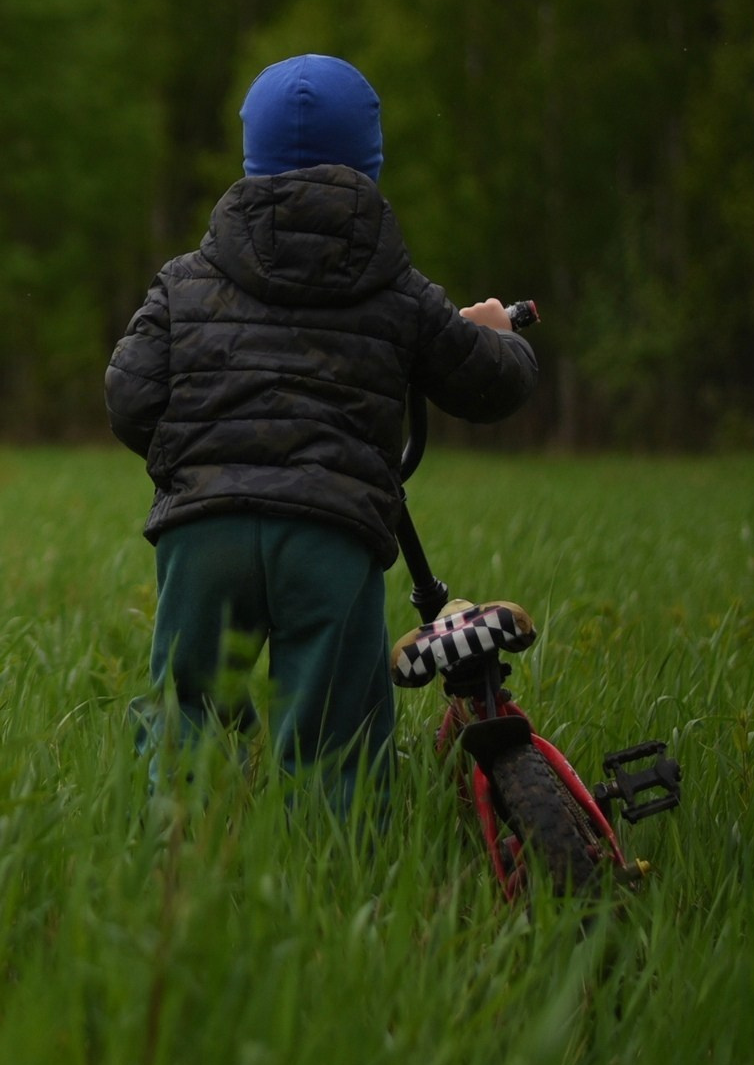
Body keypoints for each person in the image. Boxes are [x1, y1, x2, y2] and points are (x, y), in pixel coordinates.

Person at [104, 54, 538, 813]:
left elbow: (129, 396)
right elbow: (487, 382)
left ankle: (172, 873)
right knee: (333, 737)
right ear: (368, 160)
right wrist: (501, 333)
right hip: (329, 535)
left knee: (189, 710)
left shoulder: (186, 277)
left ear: (251, 158)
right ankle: (333, 881)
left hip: (204, 531)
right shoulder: (397, 286)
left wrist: (198, 458)